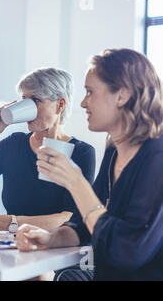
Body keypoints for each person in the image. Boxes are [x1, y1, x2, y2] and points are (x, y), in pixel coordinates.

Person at [17, 48, 163, 281]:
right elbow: (86, 225)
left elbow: (126, 250)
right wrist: (50, 238)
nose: (83, 103)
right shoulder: (115, 150)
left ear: (122, 95)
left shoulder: (157, 158)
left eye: (90, 92)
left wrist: (75, 182)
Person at [0, 68, 96, 232]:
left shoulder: (81, 152)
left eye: (35, 100)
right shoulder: (14, 144)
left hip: (56, 248)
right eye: (24, 99)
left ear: (60, 105)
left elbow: (69, 217)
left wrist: (6, 222)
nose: (28, 107)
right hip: (13, 245)